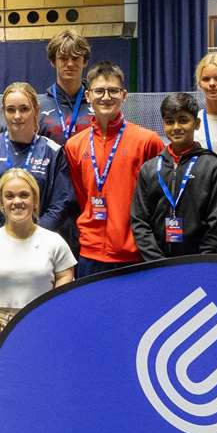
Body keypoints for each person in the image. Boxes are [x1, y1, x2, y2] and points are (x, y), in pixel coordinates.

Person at [61, 62, 165, 277]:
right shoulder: (75, 145)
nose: (106, 97)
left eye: (113, 91)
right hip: (91, 254)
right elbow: (82, 196)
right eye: (99, 91)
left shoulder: (147, 141)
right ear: (88, 95)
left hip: (135, 252)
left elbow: (157, 199)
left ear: (124, 95)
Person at [0, 169, 76, 365]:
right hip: (0, 324)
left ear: (35, 201)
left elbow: (66, 274)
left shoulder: (54, 241)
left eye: (24, 195)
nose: (17, 201)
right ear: (1, 203)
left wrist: (52, 309)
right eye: (9, 196)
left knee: (42, 381)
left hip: (43, 320)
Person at [131, 93, 217, 259]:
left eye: (183, 120)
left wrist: (201, 261)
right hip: (157, 264)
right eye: (170, 121)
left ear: (196, 124)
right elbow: (139, 221)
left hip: (199, 264)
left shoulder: (213, 167)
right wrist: (156, 261)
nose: (176, 127)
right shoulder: (149, 169)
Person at [0, 83, 72, 238]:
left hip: (39, 244)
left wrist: (33, 237)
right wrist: (2, 239)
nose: (17, 116)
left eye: (24, 109)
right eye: (11, 110)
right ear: (3, 112)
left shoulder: (53, 151)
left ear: (36, 111)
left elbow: (60, 204)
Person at [38, 30, 93, 145]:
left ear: (85, 61)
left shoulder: (97, 103)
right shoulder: (38, 107)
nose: (70, 64)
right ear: (53, 62)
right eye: (63, 58)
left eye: (75, 58)